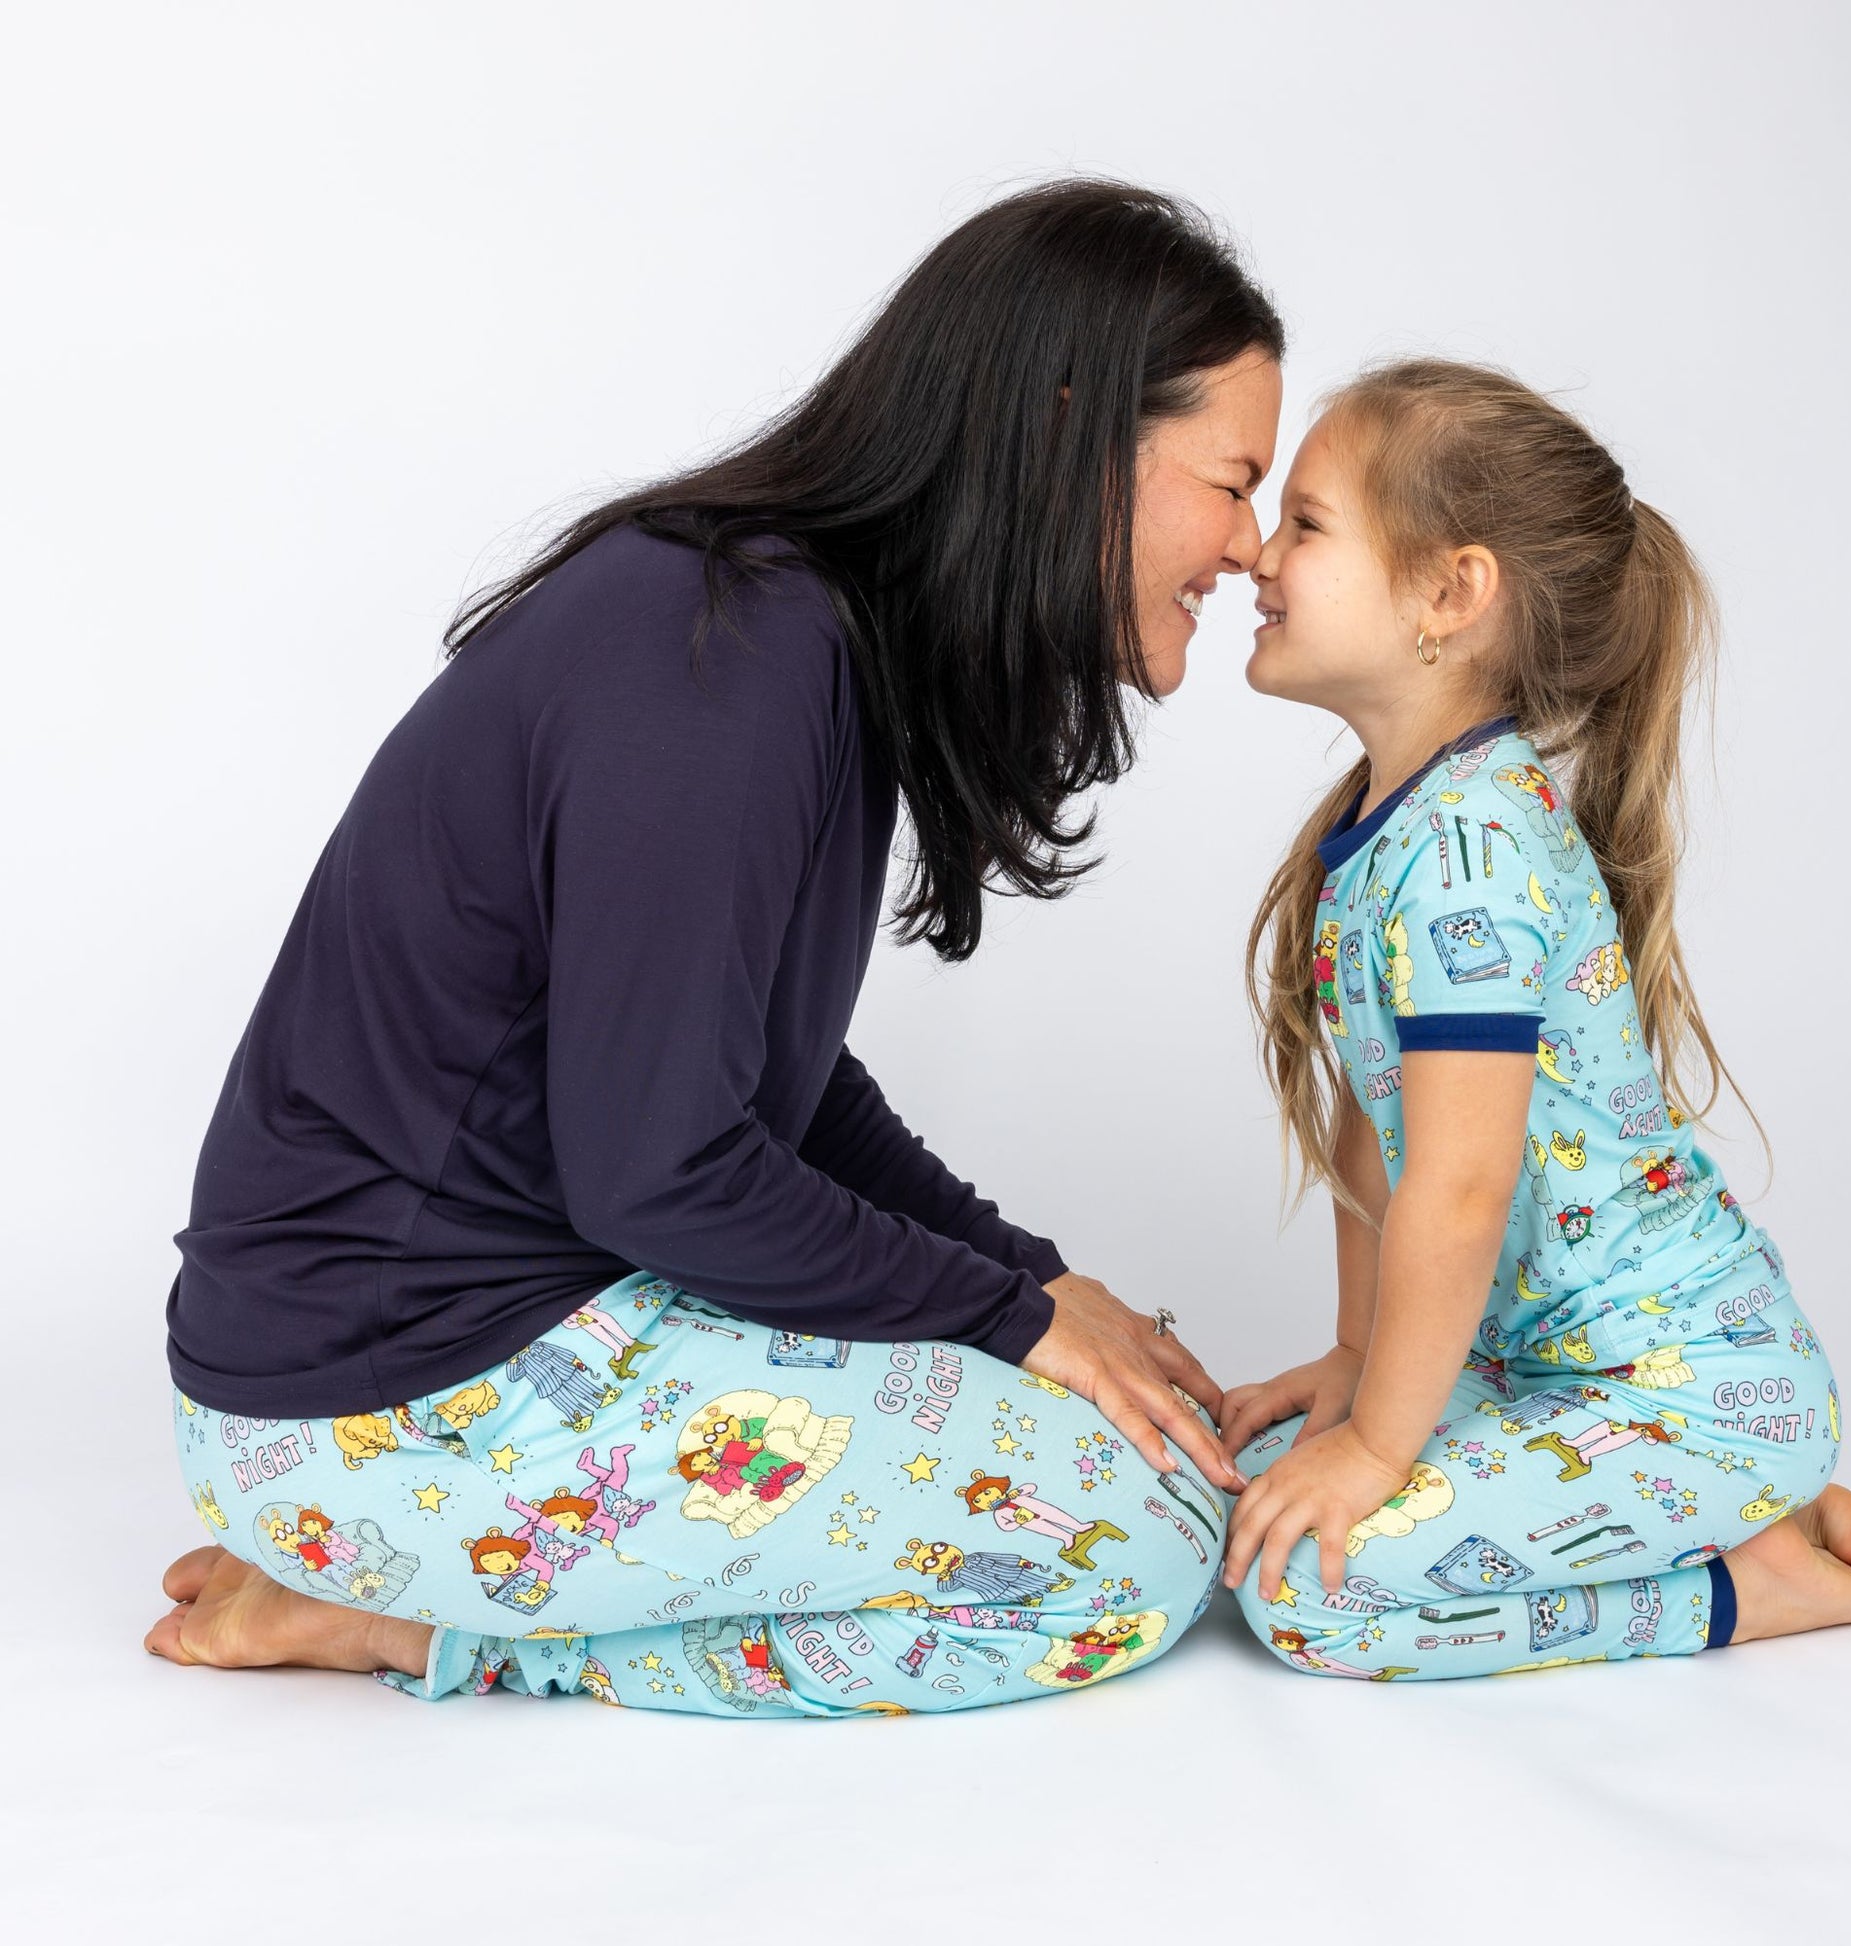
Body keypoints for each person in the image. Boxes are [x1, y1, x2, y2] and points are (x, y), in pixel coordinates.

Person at [146, 179, 1285, 1716]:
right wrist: (1001, 1314)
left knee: (1127, 1441)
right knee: (1134, 1542)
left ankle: (384, 1580)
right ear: (1071, 432)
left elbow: (777, 1085)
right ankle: (397, 1617)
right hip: (377, 1411)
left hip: (473, 1342)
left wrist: (1029, 1281)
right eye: (1231, 480)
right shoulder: (728, 658)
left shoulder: (789, 630)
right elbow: (661, 1169)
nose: (1250, 544)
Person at [1217, 358, 1851, 1678]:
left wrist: (1374, 1445)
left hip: (1685, 1385)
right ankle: (1738, 1503)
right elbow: (1381, 1135)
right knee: (1250, 1485)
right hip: (1558, 1372)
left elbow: (1462, 1191)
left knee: (1304, 1596)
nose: (1257, 553)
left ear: (1448, 593)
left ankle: (1737, 1577)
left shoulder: (1469, 851)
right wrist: (1356, 1363)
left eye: (1303, 524)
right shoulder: (1387, 828)